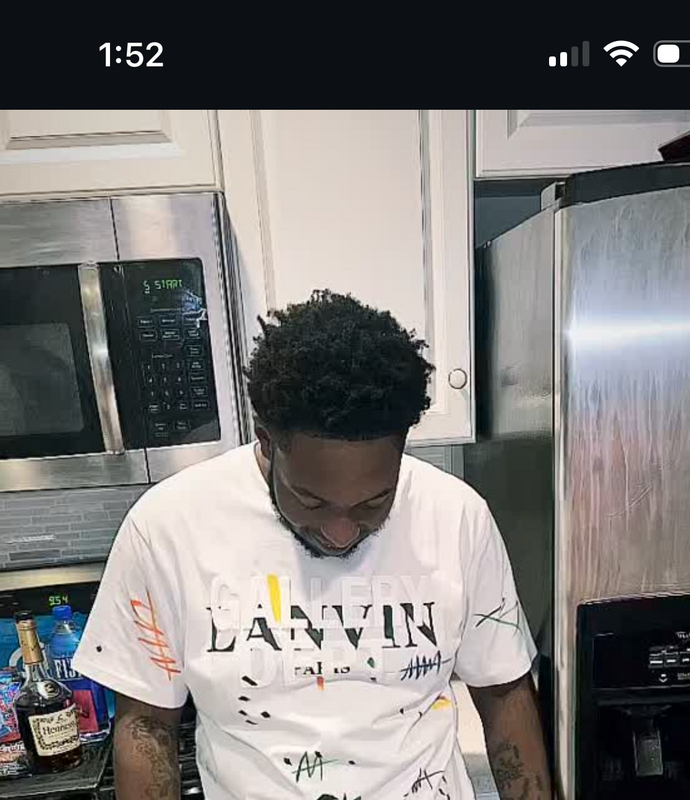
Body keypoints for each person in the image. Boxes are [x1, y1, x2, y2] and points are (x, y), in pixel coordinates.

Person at [73, 290, 551, 800]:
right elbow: (147, 724)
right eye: (312, 501)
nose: (341, 532)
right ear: (266, 440)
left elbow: (503, 692)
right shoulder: (166, 528)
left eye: (374, 503)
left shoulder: (457, 517)